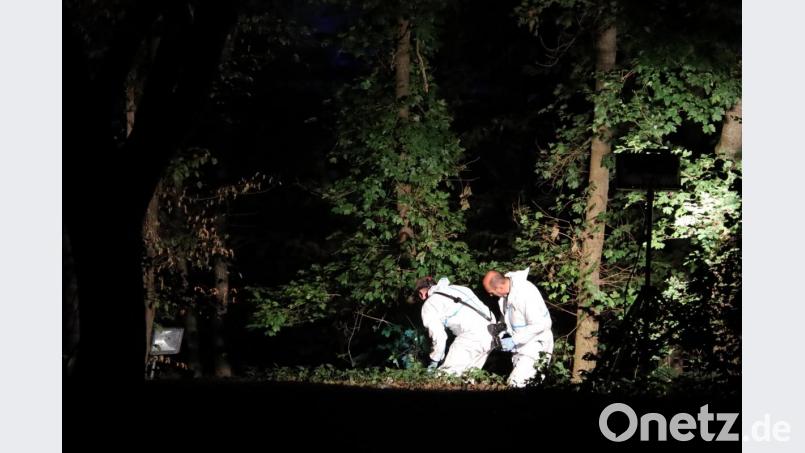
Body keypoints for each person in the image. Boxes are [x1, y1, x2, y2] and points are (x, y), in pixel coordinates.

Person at [482, 268, 554, 387]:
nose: (490, 295)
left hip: (536, 346)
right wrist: (500, 328)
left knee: (516, 385)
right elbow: (510, 318)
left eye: (491, 292)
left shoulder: (525, 293)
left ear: (499, 288)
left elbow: (541, 324)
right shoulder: (506, 296)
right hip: (521, 348)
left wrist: (513, 340)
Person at [414, 276, 497, 375]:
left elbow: (439, 336)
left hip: (472, 337)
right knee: (468, 378)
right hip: (492, 333)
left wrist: (434, 359)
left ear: (422, 293)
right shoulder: (461, 288)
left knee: (445, 377)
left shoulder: (430, 304)